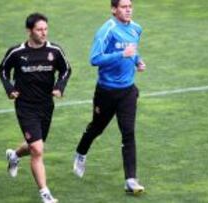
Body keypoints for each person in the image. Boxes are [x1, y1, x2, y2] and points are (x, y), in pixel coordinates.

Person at [73, 0, 145, 195]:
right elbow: (94, 59)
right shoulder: (107, 30)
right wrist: (122, 54)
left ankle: (130, 180)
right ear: (114, 10)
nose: (128, 9)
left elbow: (133, 50)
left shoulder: (136, 29)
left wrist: (137, 61)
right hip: (106, 92)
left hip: (128, 91)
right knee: (97, 128)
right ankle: (81, 152)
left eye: (130, 5)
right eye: (123, 6)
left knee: (128, 132)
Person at [0, 12, 71, 203]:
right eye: (39, 29)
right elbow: (3, 70)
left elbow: (66, 70)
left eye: (46, 29)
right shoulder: (17, 52)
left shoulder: (54, 51)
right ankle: (45, 194)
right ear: (29, 31)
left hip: (46, 106)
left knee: (34, 146)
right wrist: (10, 89)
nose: (43, 33)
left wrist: (59, 87)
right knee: (38, 150)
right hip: (25, 106)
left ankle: (14, 155)